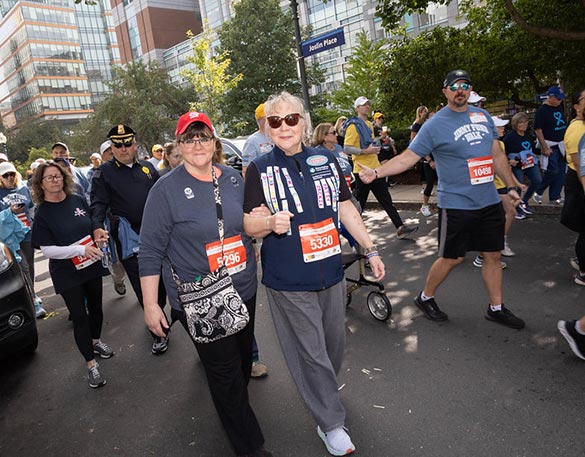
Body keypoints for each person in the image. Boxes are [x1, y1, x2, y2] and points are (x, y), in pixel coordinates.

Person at [243, 92, 385, 456]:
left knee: (333, 346)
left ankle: (323, 393)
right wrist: (269, 222)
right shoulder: (259, 169)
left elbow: (345, 208)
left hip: (330, 272)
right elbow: (248, 222)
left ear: (304, 122)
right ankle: (331, 424)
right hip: (288, 279)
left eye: (291, 119)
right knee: (312, 353)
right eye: (275, 121)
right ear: (267, 128)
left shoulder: (326, 159)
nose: (284, 126)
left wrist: (369, 249)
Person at [139, 111, 271, 457]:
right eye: (189, 138)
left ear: (214, 142)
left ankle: (235, 414)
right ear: (178, 146)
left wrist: (259, 233)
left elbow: (246, 223)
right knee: (225, 373)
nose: (197, 144)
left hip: (242, 288)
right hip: (200, 298)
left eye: (204, 137)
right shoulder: (164, 190)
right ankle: (250, 446)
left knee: (241, 365)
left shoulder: (232, 179)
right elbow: (150, 250)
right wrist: (152, 304)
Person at [359, 69, 525, 329]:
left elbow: (497, 156)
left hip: (488, 201)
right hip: (457, 204)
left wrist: (511, 186)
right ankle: (426, 298)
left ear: (470, 90)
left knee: (493, 254)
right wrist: (377, 172)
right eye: (455, 85)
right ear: (445, 91)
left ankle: (496, 308)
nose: (461, 89)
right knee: (453, 258)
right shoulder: (435, 125)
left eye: (466, 85)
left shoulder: (482, 117)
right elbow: (408, 157)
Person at [30, 161, 113, 388]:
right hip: (67, 273)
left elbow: (89, 225)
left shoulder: (76, 200)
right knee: (79, 316)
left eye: (58, 176)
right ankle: (91, 365)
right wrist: (79, 250)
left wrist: (97, 232)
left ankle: (95, 342)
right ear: (41, 183)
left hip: (91, 264)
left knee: (96, 308)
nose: (55, 180)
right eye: (49, 177)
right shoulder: (43, 213)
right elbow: (47, 250)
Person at [90, 124, 168, 355]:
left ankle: (157, 314)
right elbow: (98, 204)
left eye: (127, 143)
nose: (123, 149)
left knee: (162, 286)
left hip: (159, 236)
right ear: (112, 148)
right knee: (144, 285)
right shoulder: (104, 173)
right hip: (131, 239)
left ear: (134, 144)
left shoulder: (147, 168)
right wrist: (96, 227)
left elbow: (163, 197)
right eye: (118, 145)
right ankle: (158, 334)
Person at [345, 96, 418, 239]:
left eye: (368, 104)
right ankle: (351, 231)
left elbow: (370, 144)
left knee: (386, 200)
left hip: (375, 170)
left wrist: (377, 145)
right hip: (362, 172)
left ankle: (400, 227)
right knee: (358, 205)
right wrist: (366, 151)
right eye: (363, 105)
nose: (367, 106)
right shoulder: (353, 126)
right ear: (357, 108)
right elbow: (347, 148)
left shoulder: (369, 125)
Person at [241, 103, 273, 379]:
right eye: (268, 118)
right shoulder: (253, 142)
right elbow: (246, 173)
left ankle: (249, 357)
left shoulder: (280, 137)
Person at [472, 116, 525, 265]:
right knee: (503, 216)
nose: (503, 129)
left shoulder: (500, 143)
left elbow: (505, 167)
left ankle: (495, 247)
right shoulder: (486, 144)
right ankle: (488, 252)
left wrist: (516, 184)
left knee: (505, 216)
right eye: (499, 126)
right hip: (492, 186)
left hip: (501, 186)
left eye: (503, 126)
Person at [0, 161, 46, 317]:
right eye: (5, 175)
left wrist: (34, 226)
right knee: (23, 266)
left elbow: (31, 208)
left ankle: (31, 292)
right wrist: (9, 211)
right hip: (9, 237)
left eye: (12, 174)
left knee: (30, 265)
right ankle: (32, 300)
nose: (9, 177)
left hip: (26, 232)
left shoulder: (23, 188)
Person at [560, 88, 585, 285]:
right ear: (576, 106)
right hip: (579, 181)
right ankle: (583, 272)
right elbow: (580, 166)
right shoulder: (577, 129)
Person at [532, 86, 568, 205]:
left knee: (561, 171)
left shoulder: (559, 107)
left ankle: (555, 195)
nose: (560, 101)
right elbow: (538, 129)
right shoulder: (542, 110)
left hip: (561, 143)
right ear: (551, 97)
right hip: (550, 143)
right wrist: (544, 147)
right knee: (552, 170)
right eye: (558, 99)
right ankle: (539, 190)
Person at [503, 112, 541, 219]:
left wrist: (544, 150)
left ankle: (524, 201)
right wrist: (510, 160)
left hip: (529, 162)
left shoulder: (528, 135)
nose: (524, 125)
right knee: (517, 187)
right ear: (515, 124)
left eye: (525, 122)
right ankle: (516, 208)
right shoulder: (510, 137)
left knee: (537, 180)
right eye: (521, 123)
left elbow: (532, 148)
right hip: (517, 165)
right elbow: (502, 151)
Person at [242, 103, 274, 177]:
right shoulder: (251, 141)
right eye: (271, 118)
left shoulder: (277, 137)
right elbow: (246, 169)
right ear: (263, 120)